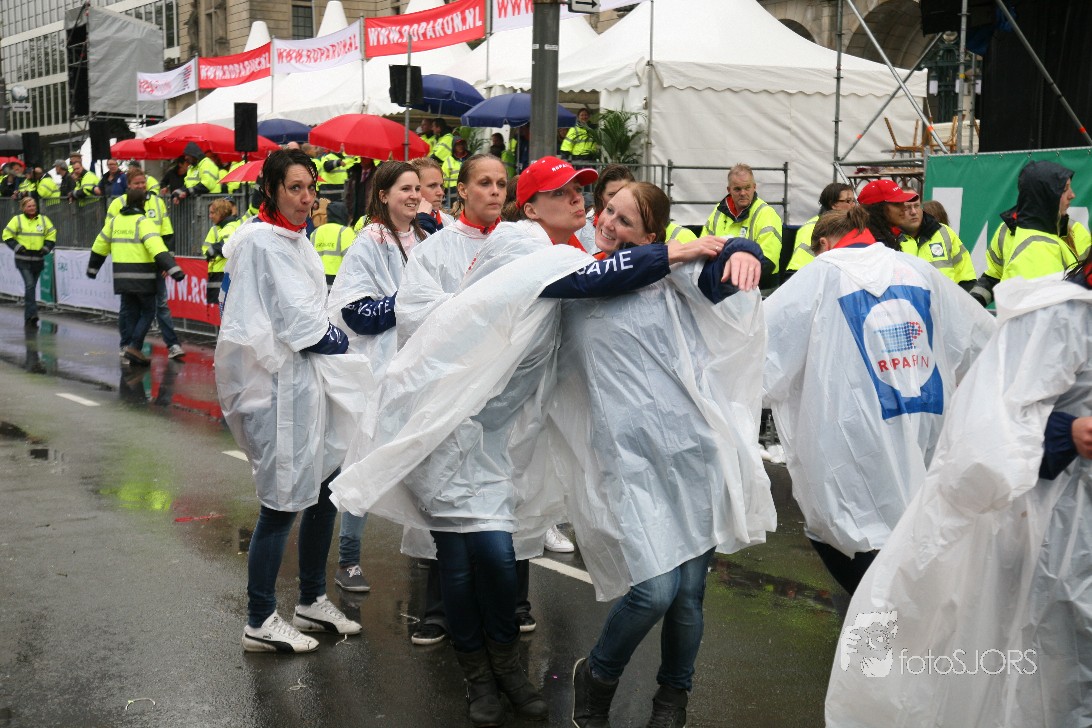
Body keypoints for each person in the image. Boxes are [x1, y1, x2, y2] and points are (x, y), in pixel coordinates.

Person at [330, 156, 726, 727]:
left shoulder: (566, 251)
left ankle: (508, 669)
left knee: (499, 561)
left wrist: (732, 249)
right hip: (449, 427)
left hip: (491, 439)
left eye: (582, 191)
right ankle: (480, 678)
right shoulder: (521, 245)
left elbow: (611, 273)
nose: (579, 200)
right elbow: (591, 278)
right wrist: (677, 250)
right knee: (464, 563)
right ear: (532, 208)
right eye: (562, 192)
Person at [826, 255, 1092, 728]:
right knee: (1048, 668)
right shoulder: (1062, 315)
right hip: (1049, 538)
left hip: (1067, 536)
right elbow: (985, 427)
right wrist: (1066, 434)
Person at [563, 181, 776, 728]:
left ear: (650, 234)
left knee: (688, 596)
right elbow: (600, 277)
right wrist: (674, 251)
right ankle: (598, 675)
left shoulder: (670, 275)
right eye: (608, 211)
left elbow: (720, 266)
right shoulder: (572, 266)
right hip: (629, 462)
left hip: (693, 453)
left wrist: (743, 249)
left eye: (625, 221)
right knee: (654, 592)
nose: (608, 223)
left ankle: (672, 699)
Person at [763, 205, 995, 595]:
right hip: (921, 429)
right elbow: (980, 340)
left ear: (824, 243)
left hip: (849, 438)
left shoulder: (820, 275)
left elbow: (760, 351)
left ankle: (880, 626)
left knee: (850, 540)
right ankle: (892, 620)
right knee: (909, 537)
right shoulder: (918, 271)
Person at [215, 148, 361, 653]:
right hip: (278, 392)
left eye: (311, 188)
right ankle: (259, 619)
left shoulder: (294, 239)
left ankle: (311, 599)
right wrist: (341, 339)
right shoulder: (262, 242)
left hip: (305, 388)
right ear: (271, 190)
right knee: (280, 505)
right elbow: (303, 325)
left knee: (322, 490)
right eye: (295, 188)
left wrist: (329, 334)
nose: (306, 198)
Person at [86, 188, 186, 366]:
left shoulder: (114, 222)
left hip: (121, 276)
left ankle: (131, 350)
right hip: (143, 276)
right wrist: (174, 270)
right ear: (143, 203)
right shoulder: (143, 222)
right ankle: (134, 346)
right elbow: (157, 247)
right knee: (148, 311)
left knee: (131, 313)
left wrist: (93, 269)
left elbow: (100, 245)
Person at [969, 160, 1090, 307]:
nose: (1072, 195)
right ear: (1046, 195)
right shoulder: (1006, 231)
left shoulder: (1076, 231)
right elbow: (993, 277)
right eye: (1064, 190)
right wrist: (972, 305)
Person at [858, 179, 976, 290]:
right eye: (898, 204)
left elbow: (966, 274)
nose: (906, 210)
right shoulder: (869, 241)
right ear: (880, 209)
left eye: (916, 205)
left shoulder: (943, 231)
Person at [700, 163, 783, 287]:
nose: (743, 193)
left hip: (759, 288)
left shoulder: (766, 214)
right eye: (737, 189)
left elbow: (768, 260)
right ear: (729, 190)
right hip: (722, 285)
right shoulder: (718, 212)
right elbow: (703, 248)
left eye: (747, 188)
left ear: (754, 187)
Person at [782, 182, 856, 280]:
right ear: (833, 204)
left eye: (853, 201)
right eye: (848, 201)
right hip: (808, 275)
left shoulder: (812, 223)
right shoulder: (833, 227)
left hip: (799, 274)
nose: (853, 205)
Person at [3, 197, 57, 327]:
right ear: (23, 208)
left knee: (31, 287)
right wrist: (18, 248)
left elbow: (52, 234)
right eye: (29, 206)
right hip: (23, 260)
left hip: (38, 259)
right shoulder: (17, 220)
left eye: (33, 205)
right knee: (30, 285)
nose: (32, 208)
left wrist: (45, 249)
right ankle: (33, 315)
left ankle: (29, 316)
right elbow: (6, 235)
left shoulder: (44, 220)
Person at [202, 198, 241, 305]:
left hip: (223, 274)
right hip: (221, 273)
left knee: (221, 311)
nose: (210, 216)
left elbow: (226, 247)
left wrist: (212, 250)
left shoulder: (229, 227)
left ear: (220, 212)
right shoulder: (224, 227)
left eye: (212, 213)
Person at [310, 201, 356, 288]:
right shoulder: (346, 231)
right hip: (339, 281)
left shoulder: (316, 232)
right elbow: (353, 260)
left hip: (318, 281)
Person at [410, 156, 455, 236]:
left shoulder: (449, 221)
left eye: (441, 186)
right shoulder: (399, 225)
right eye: (432, 186)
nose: (441, 193)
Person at [442, 139, 470, 207]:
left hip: (468, 187)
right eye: (458, 145)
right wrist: (444, 192)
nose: (460, 146)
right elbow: (444, 177)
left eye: (462, 144)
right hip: (453, 190)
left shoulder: (470, 158)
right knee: (454, 209)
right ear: (454, 146)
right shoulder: (449, 160)